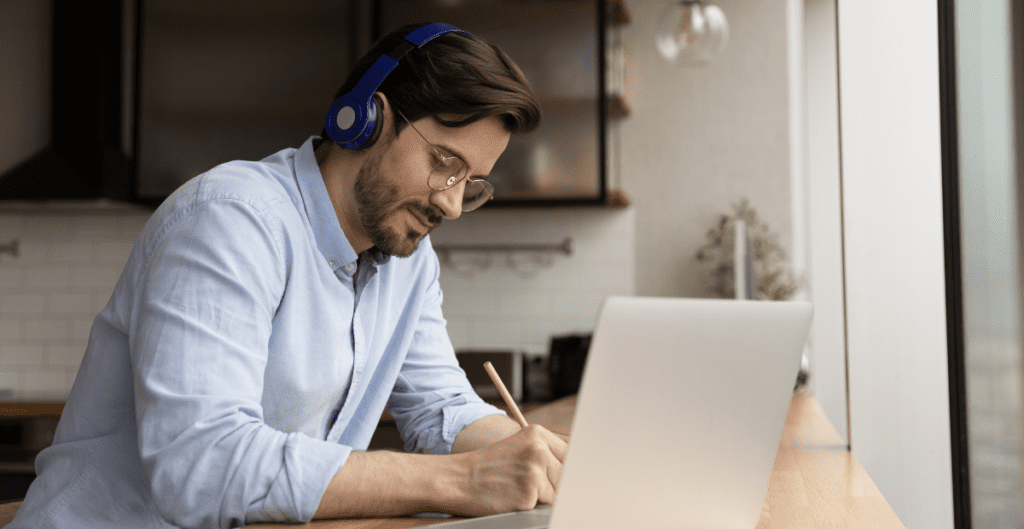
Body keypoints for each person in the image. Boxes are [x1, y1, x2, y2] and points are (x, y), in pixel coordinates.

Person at [9, 23, 568, 529]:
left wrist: (540, 458)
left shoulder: (409, 262)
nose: (450, 205)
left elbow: (440, 409)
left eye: (471, 184)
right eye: (445, 164)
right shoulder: (229, 219)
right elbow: (203, 468)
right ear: (365, 119)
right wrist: (464, 481)